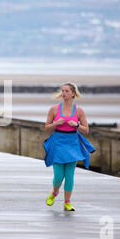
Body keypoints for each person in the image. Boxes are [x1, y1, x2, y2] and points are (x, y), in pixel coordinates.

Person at [43, 82, 95, 211]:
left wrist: (76, 125)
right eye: (63, 91)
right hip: (58, 143)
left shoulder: (79, 111)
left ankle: (67, 202)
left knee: (70, 175)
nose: (64, 93)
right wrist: (56, 123)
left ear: (73, 93)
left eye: (66, 91)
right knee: (59, 177)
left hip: (72, 142)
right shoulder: (54, 109)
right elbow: (46, 127)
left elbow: (86, 130)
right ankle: (54, 193)